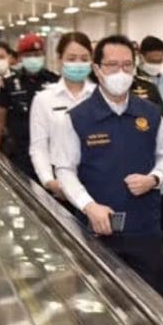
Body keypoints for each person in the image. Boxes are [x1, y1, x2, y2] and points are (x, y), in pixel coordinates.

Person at [52, 35, 163, 297]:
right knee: (98, 307)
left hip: (146, 231)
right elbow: (65, 170)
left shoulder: (150, 113)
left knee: (154, 307)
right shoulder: (77, 118)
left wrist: (154, 178)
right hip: (97, 232)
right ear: (97, 69)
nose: (121, 72)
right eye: (112, 65)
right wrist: (88, 205)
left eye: (127, 65)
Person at [29, 31, 95, 199]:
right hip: (60, 187)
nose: (78, 64)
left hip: (96, 184)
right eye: (71, 59)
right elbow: (39, 147)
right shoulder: (44, 99)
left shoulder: (100, 96)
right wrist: (49, 181)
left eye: (84, 59)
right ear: (59, 60)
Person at [0, 35, 60, 178]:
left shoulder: (55, 81)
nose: (33, 58)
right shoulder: (10, 83)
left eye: (37, 54)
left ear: (43, 55)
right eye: (29, 55)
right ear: (21, 57)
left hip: (50, 151)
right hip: (20, 152)